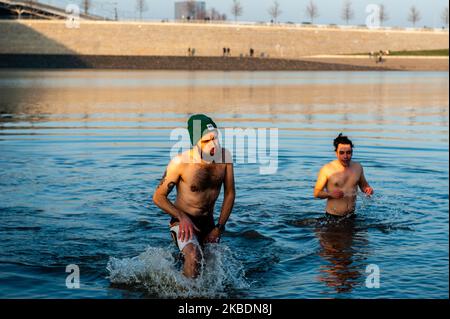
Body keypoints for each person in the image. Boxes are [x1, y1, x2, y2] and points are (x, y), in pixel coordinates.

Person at [153, 114, 235, 278]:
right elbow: (158, 197)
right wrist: (182, 217)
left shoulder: (224, 157)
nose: (214, 144)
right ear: (195, 142)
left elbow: (230, 193)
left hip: (210, 224)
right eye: (206, 141)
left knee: (213, 265)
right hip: (183, 222)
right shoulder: (180, 163)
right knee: (193, 256)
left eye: (215, 138)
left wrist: (219, 228)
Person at [314, 133, 373, 217]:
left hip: (351, 216)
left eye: (348, 152)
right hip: (332, 217)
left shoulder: (358, 167)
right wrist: (330, 194)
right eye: (341, 153)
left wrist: (368, 189)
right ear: (336, 153)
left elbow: (364, 185)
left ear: (352, 152)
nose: (345, 156)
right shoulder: (327, 169)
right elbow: (316, 193)